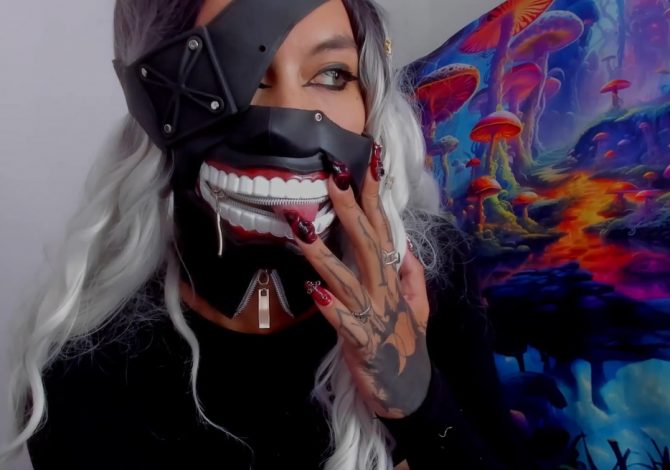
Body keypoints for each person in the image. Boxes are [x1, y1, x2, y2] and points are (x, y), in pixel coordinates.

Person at [2, 0, 531, 468]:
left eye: (332, 74)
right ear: (156, 104)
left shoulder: (429, 278)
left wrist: (418, 402)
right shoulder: (90, 368)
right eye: (241, 74)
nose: (287, 121)